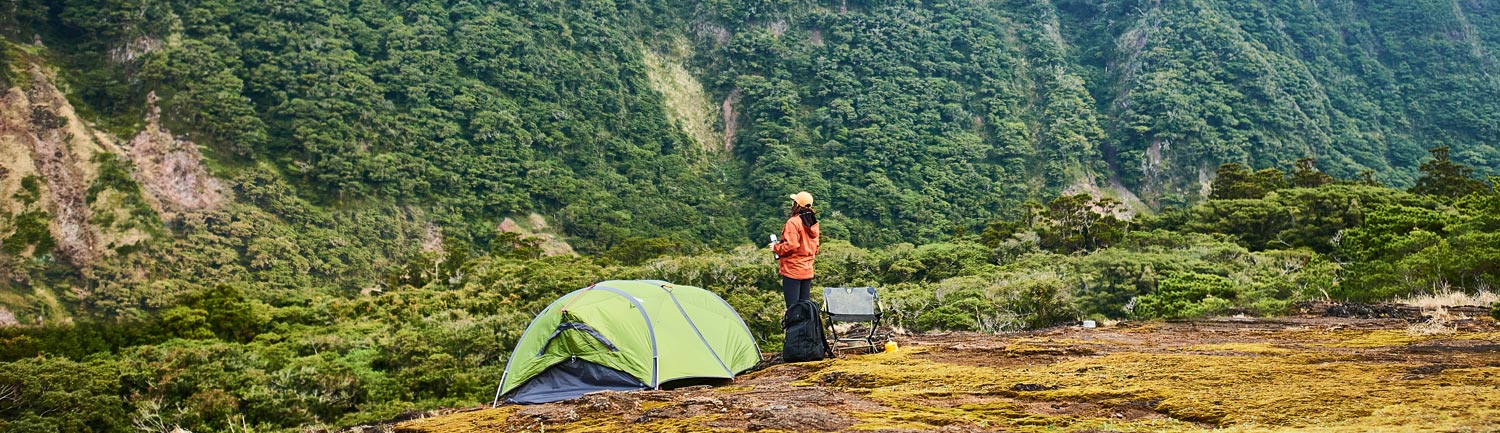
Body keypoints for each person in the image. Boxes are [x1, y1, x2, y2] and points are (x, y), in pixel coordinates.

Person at [772, 191, 821, 309]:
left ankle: (793, 327)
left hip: (792, 270)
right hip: (807, 269)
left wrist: (776, 247)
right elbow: (816, 246)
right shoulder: (813, 223)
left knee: (793, 308)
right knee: (805, 308)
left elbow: (791, 245)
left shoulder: (793, 222)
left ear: (797, 205)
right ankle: (805, 328)